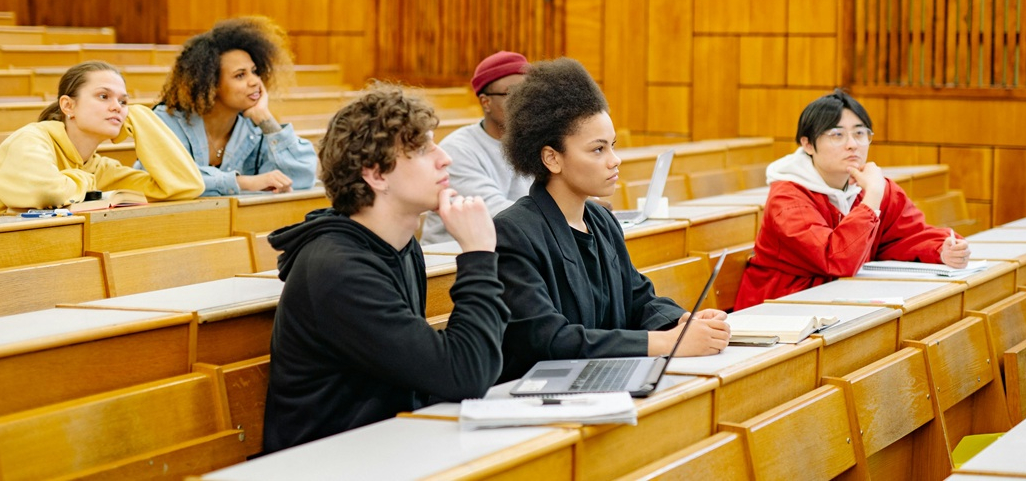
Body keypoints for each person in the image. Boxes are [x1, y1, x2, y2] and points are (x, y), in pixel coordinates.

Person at [262, 84, 509, 450]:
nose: (445, 159)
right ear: (376, 175)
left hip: (387, 443)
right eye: (423, 149)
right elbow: (465, 375)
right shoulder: (338, 270)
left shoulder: (402, 245)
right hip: (326, 462)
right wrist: (478, 255)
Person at [493, 58, 730, 383]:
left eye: (613, 146)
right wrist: (665, 342)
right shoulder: (513, 232)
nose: (614, 160)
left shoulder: (602, 220)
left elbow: (638, 298)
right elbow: (550, 340)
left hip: (602, 381)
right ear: (552, 158)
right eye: (597, 150)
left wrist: (682, 322)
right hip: (540, 397)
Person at [734, 89, 972, 309]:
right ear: (807, 144)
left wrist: (941, 248)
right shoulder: (788, 199)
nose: (852, 145)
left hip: (835, 300)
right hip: (781, 308)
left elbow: (904, 237)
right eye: (837, 135)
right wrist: (872, 198)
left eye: (860, 133)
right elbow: (836, 258)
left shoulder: (872, 188)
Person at [0, 61, 204, 219]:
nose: (117, 107)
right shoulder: (31, 140)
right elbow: (48, 192)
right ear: (68, 106)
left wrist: (140, 116)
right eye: (104, 96)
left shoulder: (97, 166)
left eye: (123, 101)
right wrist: (91, 183)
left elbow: (186, 186)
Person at [152, 16, 317, 196]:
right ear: (210, 85)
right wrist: (243, 182)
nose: (255, 81)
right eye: (240, 75)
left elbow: (302, 177)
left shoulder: (255, 128)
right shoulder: (166, 122)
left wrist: (266, 119)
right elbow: (167, 176)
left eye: (254, 72)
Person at [420, 50, 534, 245]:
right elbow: (498, 215)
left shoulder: (536, 141)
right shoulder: (458, 150)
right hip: (450, 260)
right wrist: (563, 214)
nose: (524, 103)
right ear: (486, 102)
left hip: (514, 249)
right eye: (512, 94)